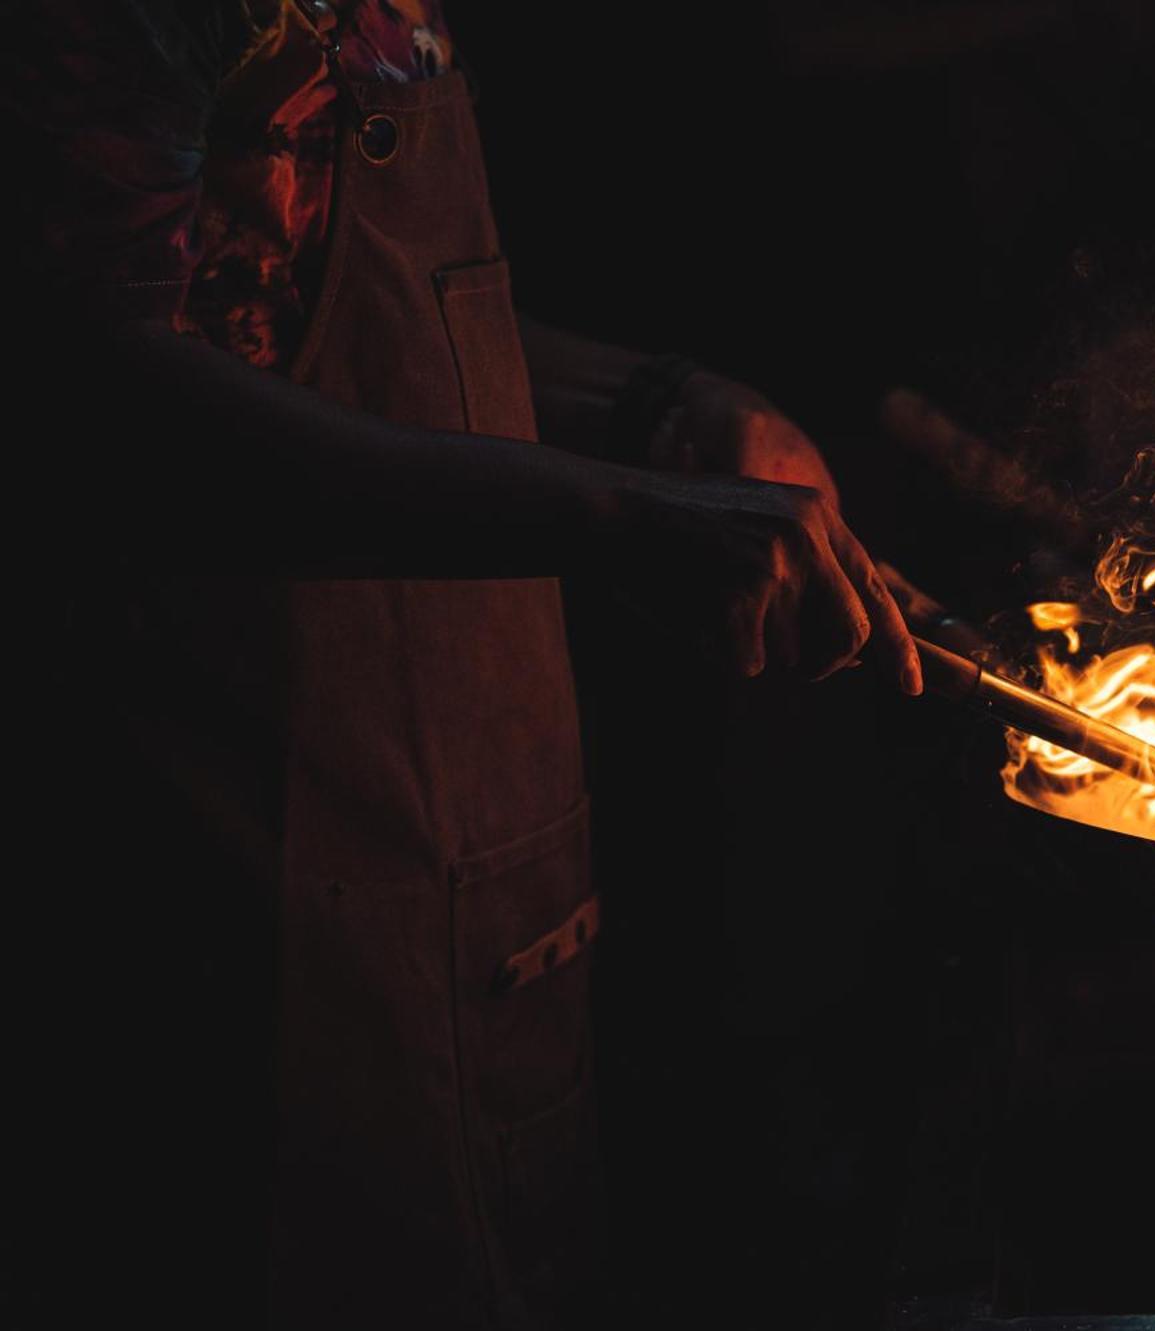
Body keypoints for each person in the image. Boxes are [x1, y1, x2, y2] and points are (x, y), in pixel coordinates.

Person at [7, 2, 922, 1325]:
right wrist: (618, 516)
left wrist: (652, 408)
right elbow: (102, 416)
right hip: (232, 883)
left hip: (486, 880)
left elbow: (289, 309)